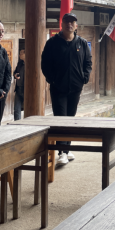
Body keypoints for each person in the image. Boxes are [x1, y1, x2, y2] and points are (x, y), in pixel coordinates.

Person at [41, 13, 93, 166]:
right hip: (58, 87)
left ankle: (67, 149)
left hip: (75, 87)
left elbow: (88, 62)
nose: (69, 24)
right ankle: (61, 152)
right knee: (60, 118)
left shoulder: (82, 43)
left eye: (72, 22)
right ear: (62, 24)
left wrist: (84, 78)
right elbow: (45, 63)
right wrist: (52, 79)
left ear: (76, 25)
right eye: (66, 22)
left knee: (71, 117)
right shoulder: (52, 43)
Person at [13, 49, 25, 121]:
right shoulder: (20, 63)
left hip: (26, 89)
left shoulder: (30, 63)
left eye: (21, 53)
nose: (19, 55)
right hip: (18, 88)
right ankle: (17, 123)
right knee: (16, 109)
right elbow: (15, 72)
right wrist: (15, 75)